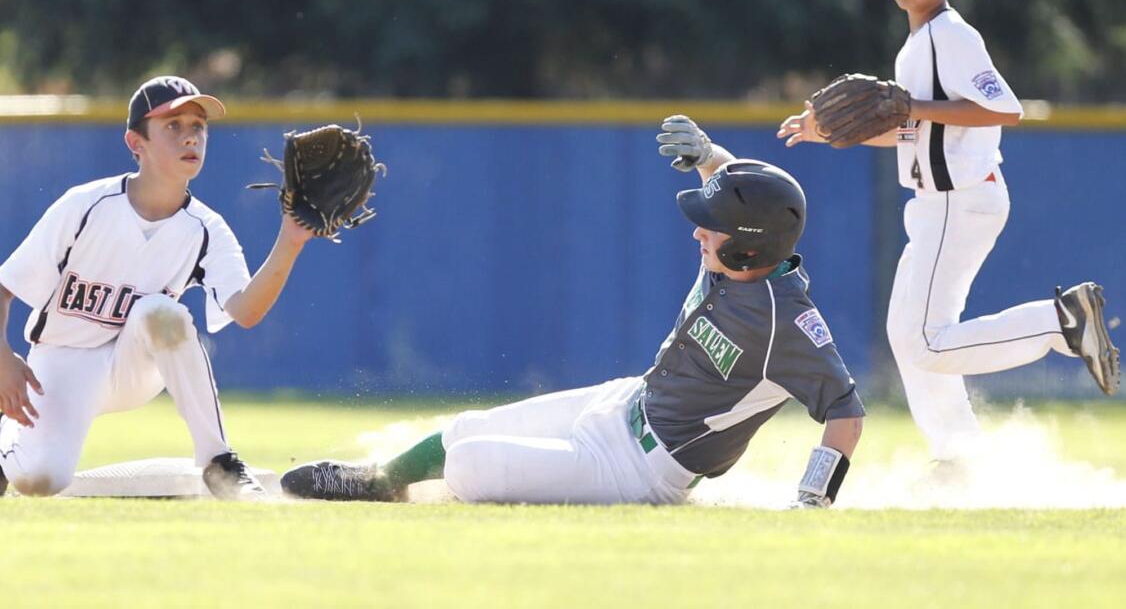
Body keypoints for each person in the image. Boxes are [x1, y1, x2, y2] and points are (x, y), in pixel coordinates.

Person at [281, 117, 865, 507]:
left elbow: (846, 413)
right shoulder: (742, 257)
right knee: (464, 429)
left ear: (748, 244)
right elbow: (739, 197)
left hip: (643, 470)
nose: (698, 236)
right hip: (624, 402)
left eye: (711, 231)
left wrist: (813, 499)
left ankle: (409, 482)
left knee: (469, 466)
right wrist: (710, 156)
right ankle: (381, 481)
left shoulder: (784, 321)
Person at [777, 0, 1120, 464]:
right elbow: (922, 129)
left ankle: (1058, 322)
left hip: (959, 203)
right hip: (940, 204)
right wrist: (835, 133)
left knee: (925, 342)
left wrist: (912, 106)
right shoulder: (918, 44)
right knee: (908, 337)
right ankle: (958, 458)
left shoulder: (950, 36)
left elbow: (1004, 109)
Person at [0, 75, 318, 499]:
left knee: (160, 313)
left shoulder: (206, 230)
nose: (190, 137)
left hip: (133, 366)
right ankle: (3, 438)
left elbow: (245, 311)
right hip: (60, 364)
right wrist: (1, 357)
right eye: (173, 126)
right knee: (41, 480)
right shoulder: (86, 206)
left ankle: (218, 460)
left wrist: (290, 242)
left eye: (198, 127)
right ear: (136, 142)